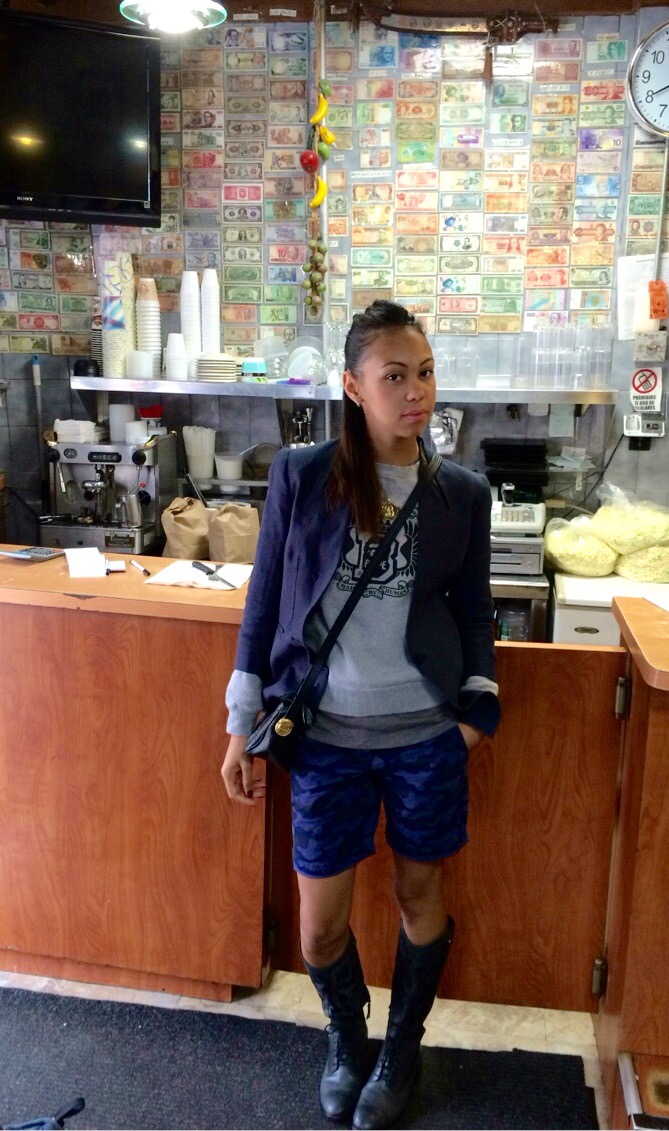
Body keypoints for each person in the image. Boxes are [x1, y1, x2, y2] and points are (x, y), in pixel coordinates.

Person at [222, 300, 500, 1129]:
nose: (415, 392)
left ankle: (401, 1048)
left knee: (420, 894)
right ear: (352, 385)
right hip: (324, 739)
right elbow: (265, 600)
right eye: (394, 376)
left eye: (425, 373)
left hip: (424, 735)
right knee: (318, 929)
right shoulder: (302, 475)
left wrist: (473, 716)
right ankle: (347, 1038)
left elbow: (474, 612)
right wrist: (240, 721)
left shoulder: (459, 493)